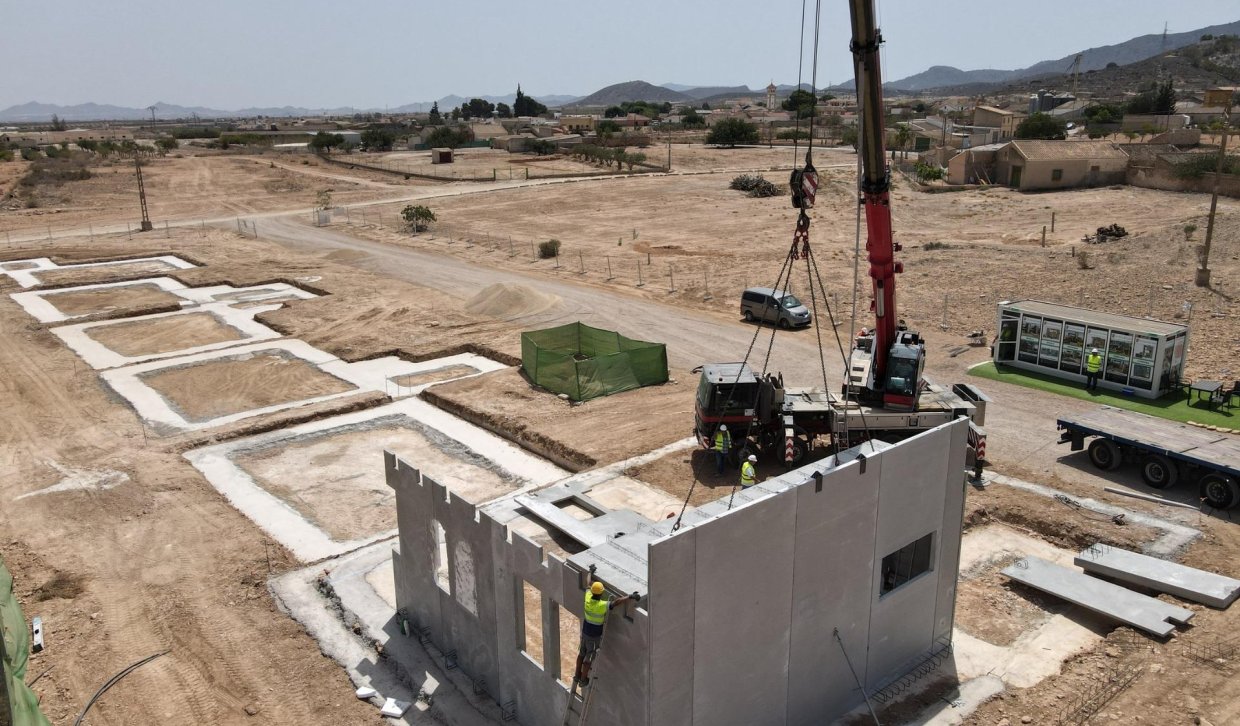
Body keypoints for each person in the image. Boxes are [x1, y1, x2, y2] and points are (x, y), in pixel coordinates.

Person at [574, 582, 639, 685]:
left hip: (585, 633)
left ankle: (577, 675)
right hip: (594, 636)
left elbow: (587, 584)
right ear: (601, 593)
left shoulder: (587, 598)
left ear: (592, 592)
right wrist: (630, 596)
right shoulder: (602, 605)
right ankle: (583, 679)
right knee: (589, 658)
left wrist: (591, 572)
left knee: (581, 654)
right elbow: (616, 602)